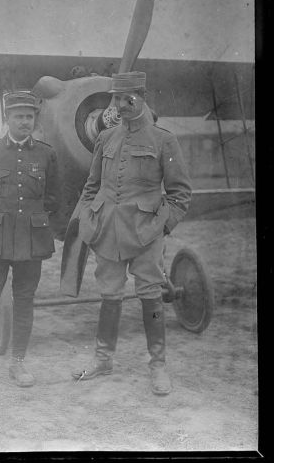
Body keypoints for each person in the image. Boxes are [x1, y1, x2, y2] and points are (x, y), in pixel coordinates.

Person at [71, 71, 192, 395]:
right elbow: (91, 186)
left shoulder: (164, 140)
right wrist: (86, 219)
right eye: (115, 99)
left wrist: (163, 226)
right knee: (110, 294)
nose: (121, 106)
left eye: (128, 99)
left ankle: (158, 365)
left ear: (142, 98)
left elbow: (180, 193)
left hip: (146, 233)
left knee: (150, 294)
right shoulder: (105, 138)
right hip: (107, 231)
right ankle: (103, 359)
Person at [0, 90, 59, 397]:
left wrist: (32, 218)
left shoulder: (47, 154)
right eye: (18, 117)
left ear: (35, 119)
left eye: (29, 117)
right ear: (7, 119)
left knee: (25, 299)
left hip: (31, 239)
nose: (24, 122)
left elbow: (55, 198)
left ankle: (18, 363)